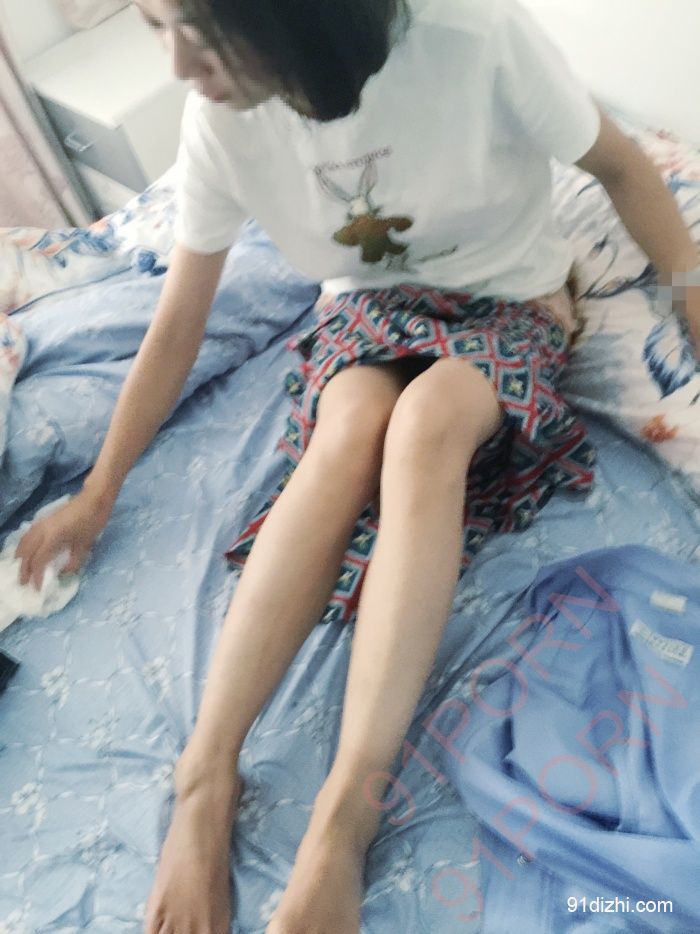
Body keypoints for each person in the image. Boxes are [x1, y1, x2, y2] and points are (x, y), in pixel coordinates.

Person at [14, 0, 700, 931]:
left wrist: (690, 291)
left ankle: (344, 817)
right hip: (367, 307)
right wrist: (99, 493)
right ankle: (204, 774)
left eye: (201, 32)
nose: (178, 65)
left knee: (426, 428)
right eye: (155, 27)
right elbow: (179, 320)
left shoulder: (474, 39)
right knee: (346, 437)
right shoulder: (220, 120)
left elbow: (620, 166)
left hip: (511, 299)